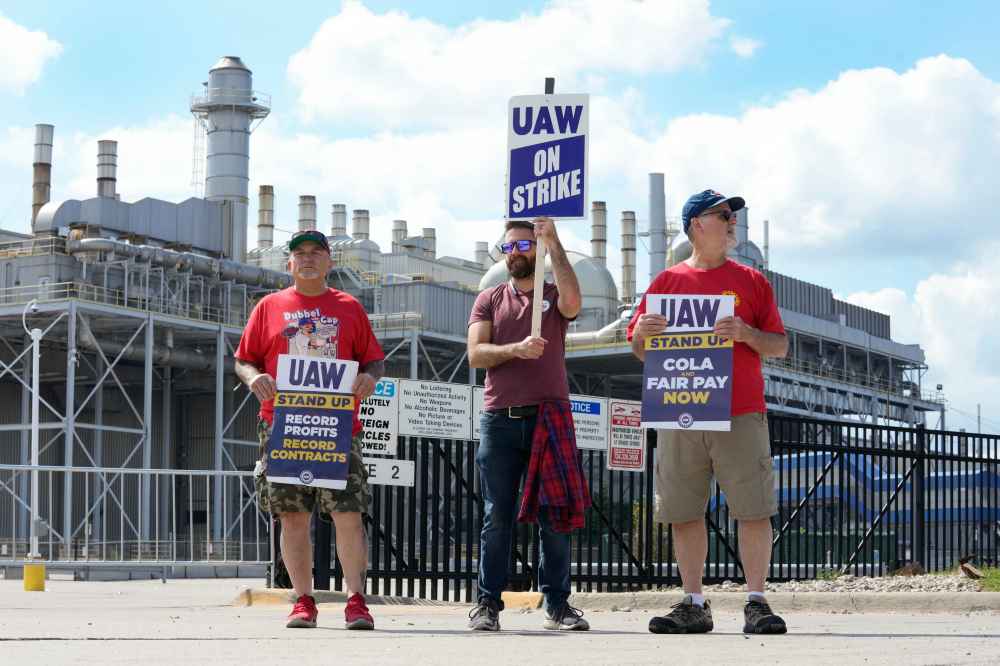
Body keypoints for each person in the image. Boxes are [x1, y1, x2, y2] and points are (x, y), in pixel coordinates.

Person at [628, 190, 789, 635]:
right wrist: (641, 331)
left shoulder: (753, 282)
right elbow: (641, 351)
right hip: (683, 410)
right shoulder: (665, 283)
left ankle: (756, 601)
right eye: (724, 215)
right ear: (698, 224)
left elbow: (780, 345)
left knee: (753, 508)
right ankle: (693, 601)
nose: (733, 221)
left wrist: (746, 332)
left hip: (740, 411)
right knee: (683, 510)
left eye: (733, 214)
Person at [235, 229, 385, 630]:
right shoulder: (269, 307)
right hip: (282, 424)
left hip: (338, 425)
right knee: (292, 515)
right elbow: (244, 359)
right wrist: (252, 379)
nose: (307, 258)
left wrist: (370, 378)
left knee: (348, 513)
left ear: (329, 261)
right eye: (299, 253)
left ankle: (356, 601)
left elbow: (373, 360)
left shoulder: (349, 307)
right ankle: (303, 600)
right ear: (289, 263)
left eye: (316, 252)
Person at [466, 216, 590, 632]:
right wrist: (517, 349)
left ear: (536, 251)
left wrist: (553, 240)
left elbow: (574, 304)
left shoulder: (554, 295)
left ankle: (558, 605)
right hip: (499, 420)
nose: (516, 253)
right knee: (495, 516)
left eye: (524, 246)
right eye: (510, 247)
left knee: (554, 516)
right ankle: (487, 605)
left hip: (547, 417)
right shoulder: (489, 298)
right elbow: (476, 354)